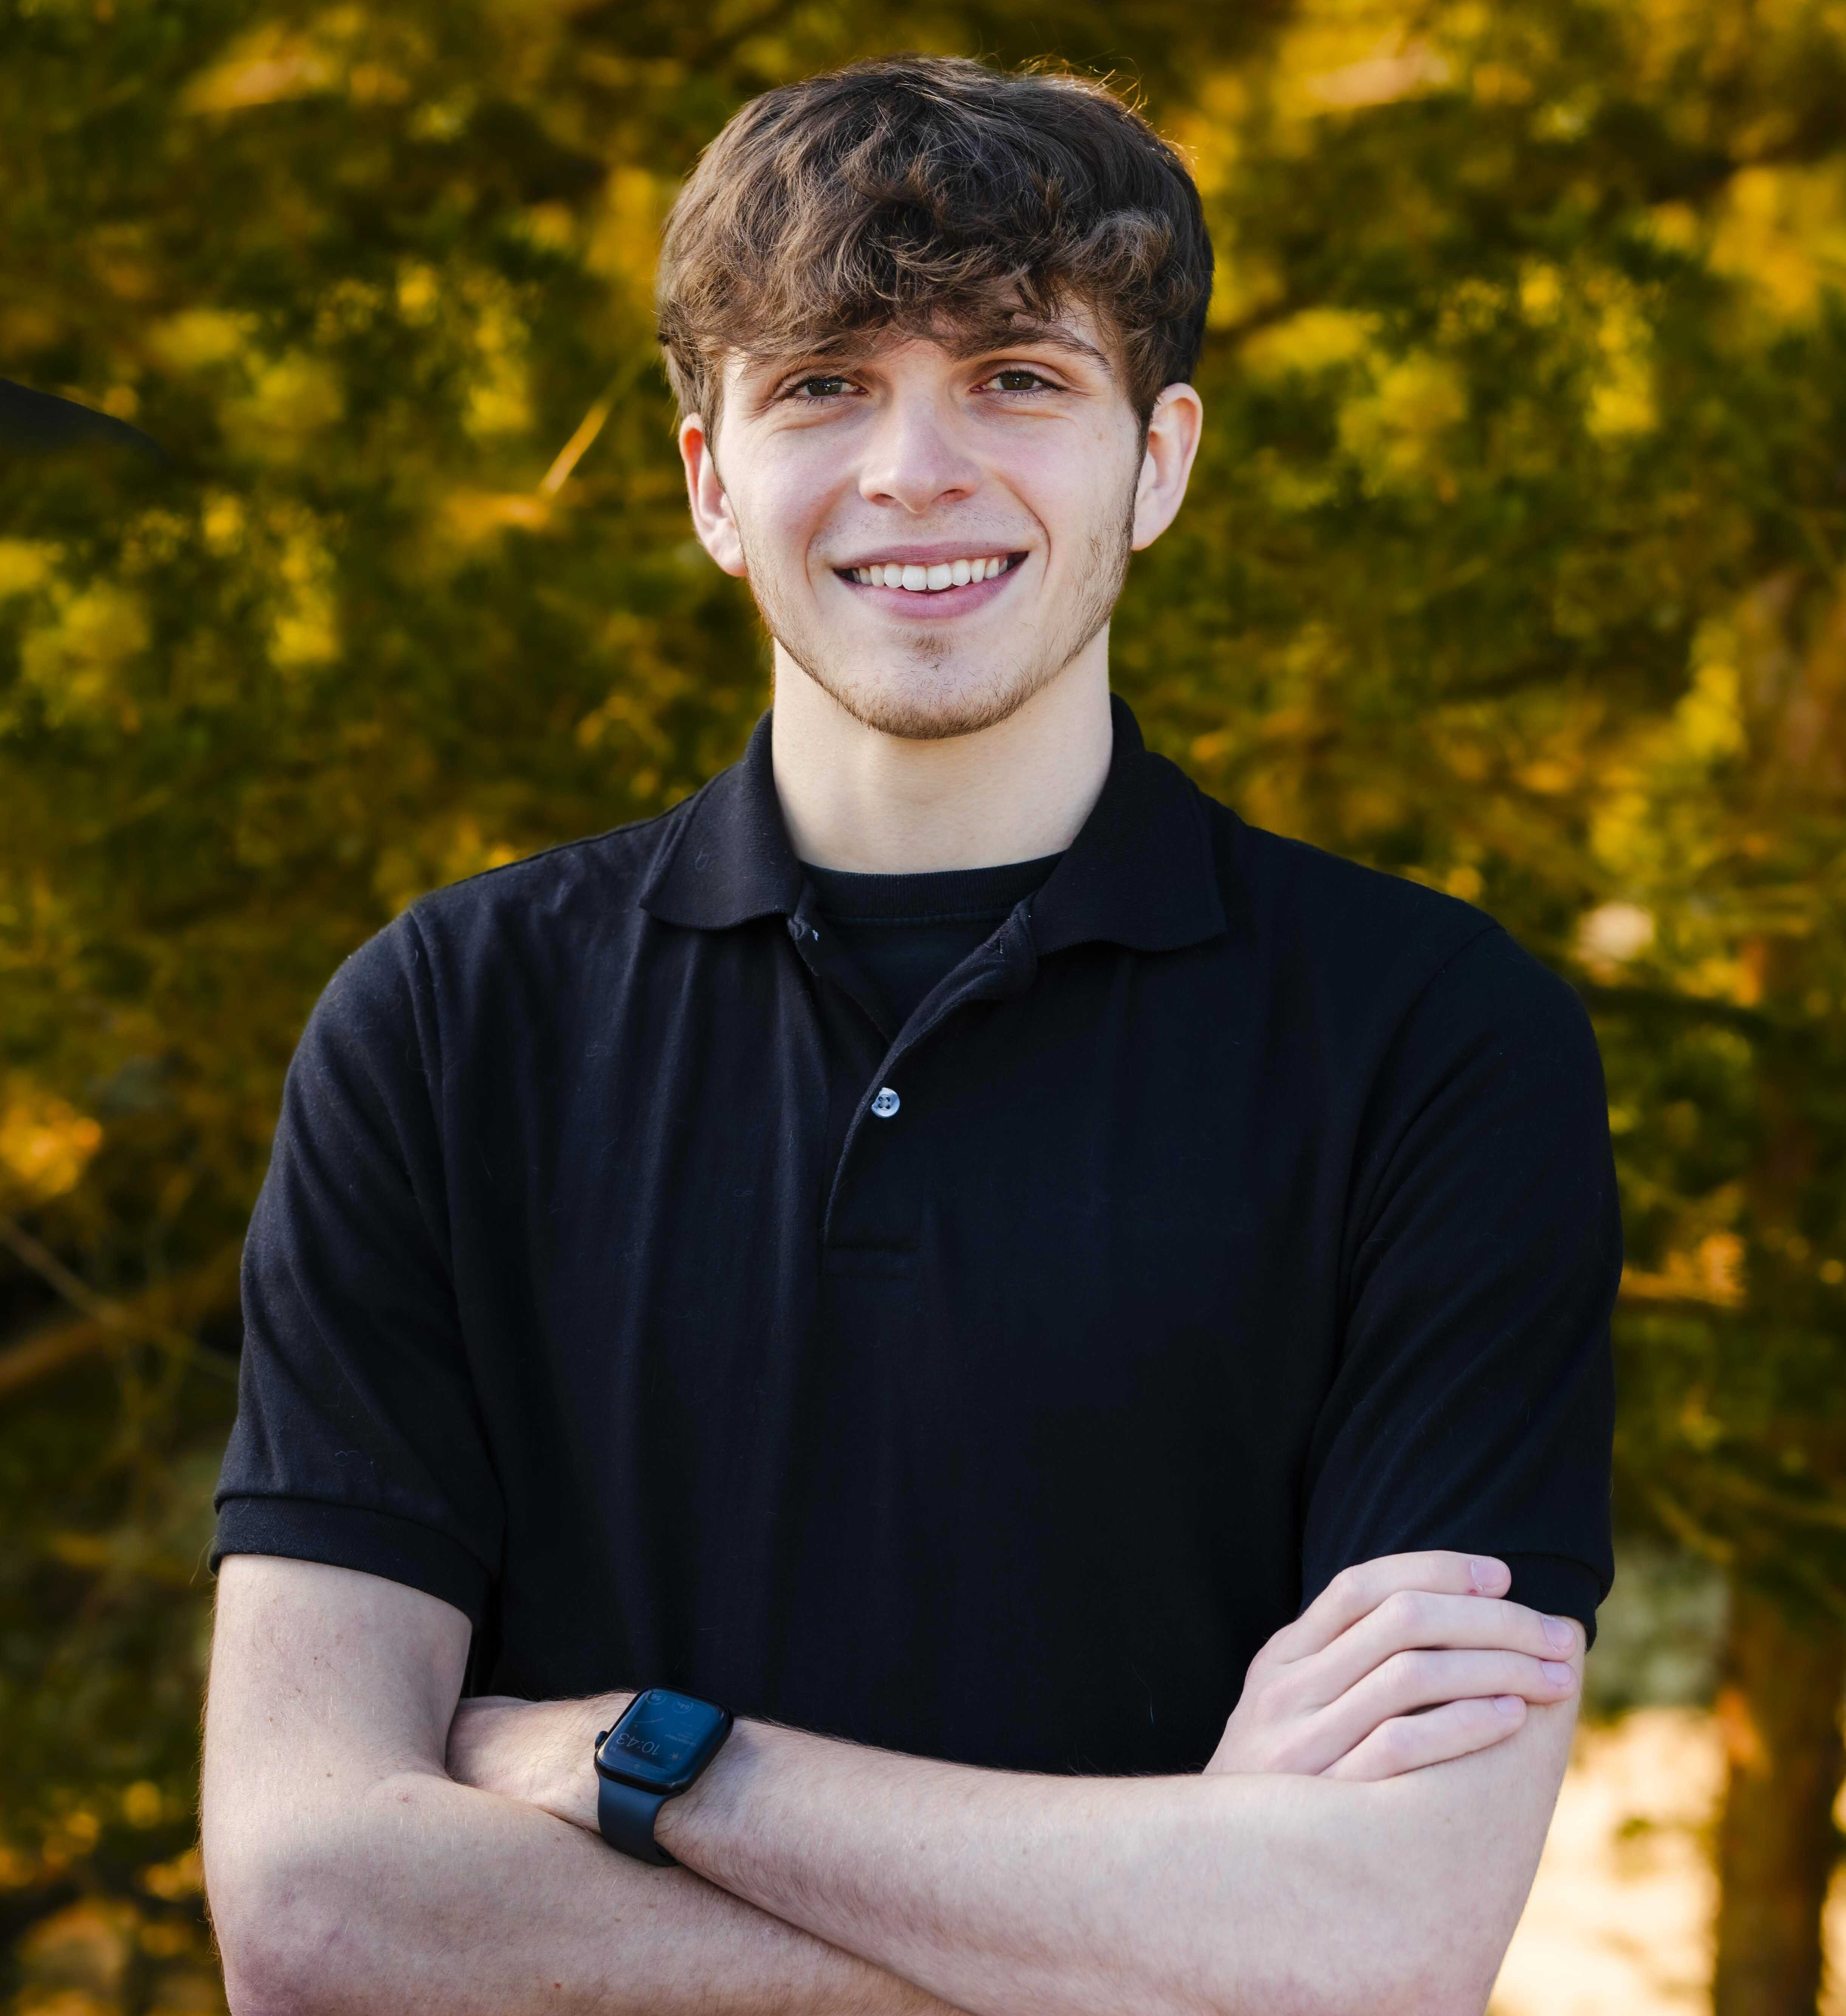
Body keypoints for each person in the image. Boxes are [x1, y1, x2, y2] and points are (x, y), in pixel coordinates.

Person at [201, 55, 1617, 2016]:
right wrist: (1170, 1924)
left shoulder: (1439, 1044)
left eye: (1017, 376)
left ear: (1159, 458)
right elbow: (314, 1910)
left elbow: (1379, 1944)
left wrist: (646, 1758)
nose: (913, 469)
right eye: (823, 385)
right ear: (711, 481)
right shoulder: (443, 1026)